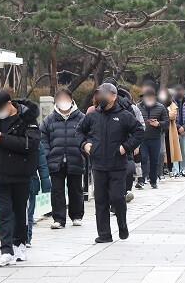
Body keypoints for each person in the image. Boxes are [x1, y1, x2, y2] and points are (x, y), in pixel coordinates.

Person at [77, 83, 144, 243]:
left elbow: (139, 132)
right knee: (100, 200)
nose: (100, 97)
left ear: (113, 96)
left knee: (116, 197)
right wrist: (85, 145)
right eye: (98, 94)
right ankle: (104, 234)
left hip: (117, 165)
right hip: (98, 164)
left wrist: (125, 147)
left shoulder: (123, 115)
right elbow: (79, 131)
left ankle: (122, 225)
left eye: (104, 94)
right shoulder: (93, 115)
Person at [0, 90, 40, 266]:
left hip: (21, 174)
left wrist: (2, 139)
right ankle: (6, 250)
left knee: (19, 212)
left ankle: (20, 244)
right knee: (5, 213)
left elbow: (29, 144)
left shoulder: (27, 118)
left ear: (9, 103)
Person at [41, 89, 86, 229]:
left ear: (71, 99)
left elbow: (89, 135)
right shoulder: (49, 119)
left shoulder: (81, 118)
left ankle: (77, 215)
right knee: (57, 190)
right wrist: (48, 153)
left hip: (76, 158)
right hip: (56, 159)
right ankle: (59, 219)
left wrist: (83, 152)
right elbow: (43, 138)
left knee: (76, 189)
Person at [136, 88, 169, 189]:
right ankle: (141, 180)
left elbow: (167, 122)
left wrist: (158, 123)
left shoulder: (161, 107)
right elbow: (134, 121)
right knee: (143, 159)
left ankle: (153, 180)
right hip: (142, 138)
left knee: (155, 160)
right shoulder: (138, 107)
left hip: (155, 137)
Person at [27, 142, 51, 247]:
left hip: (30, 182)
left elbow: (42, 165)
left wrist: (46, 184)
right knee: (28, 212)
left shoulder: (36, 143)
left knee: (28, 211)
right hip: (31, 181)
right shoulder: (37, 142)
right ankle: (26, 238)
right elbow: (42, 166)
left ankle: (26, 237)